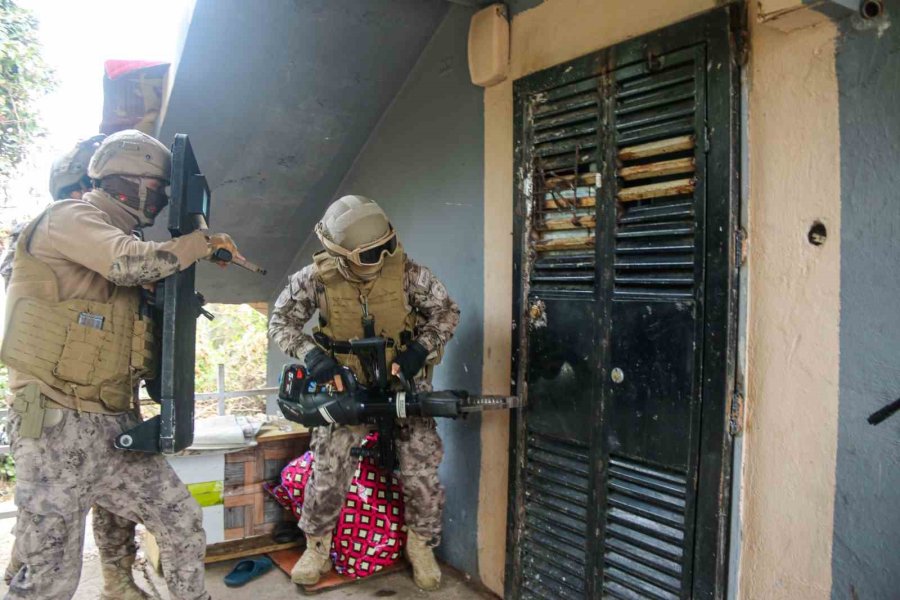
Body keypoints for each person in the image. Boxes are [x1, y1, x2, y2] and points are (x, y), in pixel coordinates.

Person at [1, 129, 239, 600]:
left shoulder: (120, 239)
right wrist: (200, 242)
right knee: (50, 574)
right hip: (55, 422)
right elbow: (129, 264)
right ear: (131, 182)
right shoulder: (69, 217)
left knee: (181, 519)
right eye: (158, 188)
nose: (161, 200)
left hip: (115, 421)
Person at [268, 195, 459, 591]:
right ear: (338, 253)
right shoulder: (314, 279)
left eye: (388, 245)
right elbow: (280, 322)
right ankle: (317, 546)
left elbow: (446, 312)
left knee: (421, 469)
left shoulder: (408, 273)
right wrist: (313, 358)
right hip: (345, 387)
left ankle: (421, 544)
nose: (383, 257)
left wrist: (419, 349)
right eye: (371, 253)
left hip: (404, 385)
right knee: (329, 468)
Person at [1, 135, 154, 599]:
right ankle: (23, 573)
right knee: (47, 514)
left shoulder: (119, 242)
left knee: (115, 506)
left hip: (110, 396)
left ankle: (117, 579)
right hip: (52, 399)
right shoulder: (44, 235)